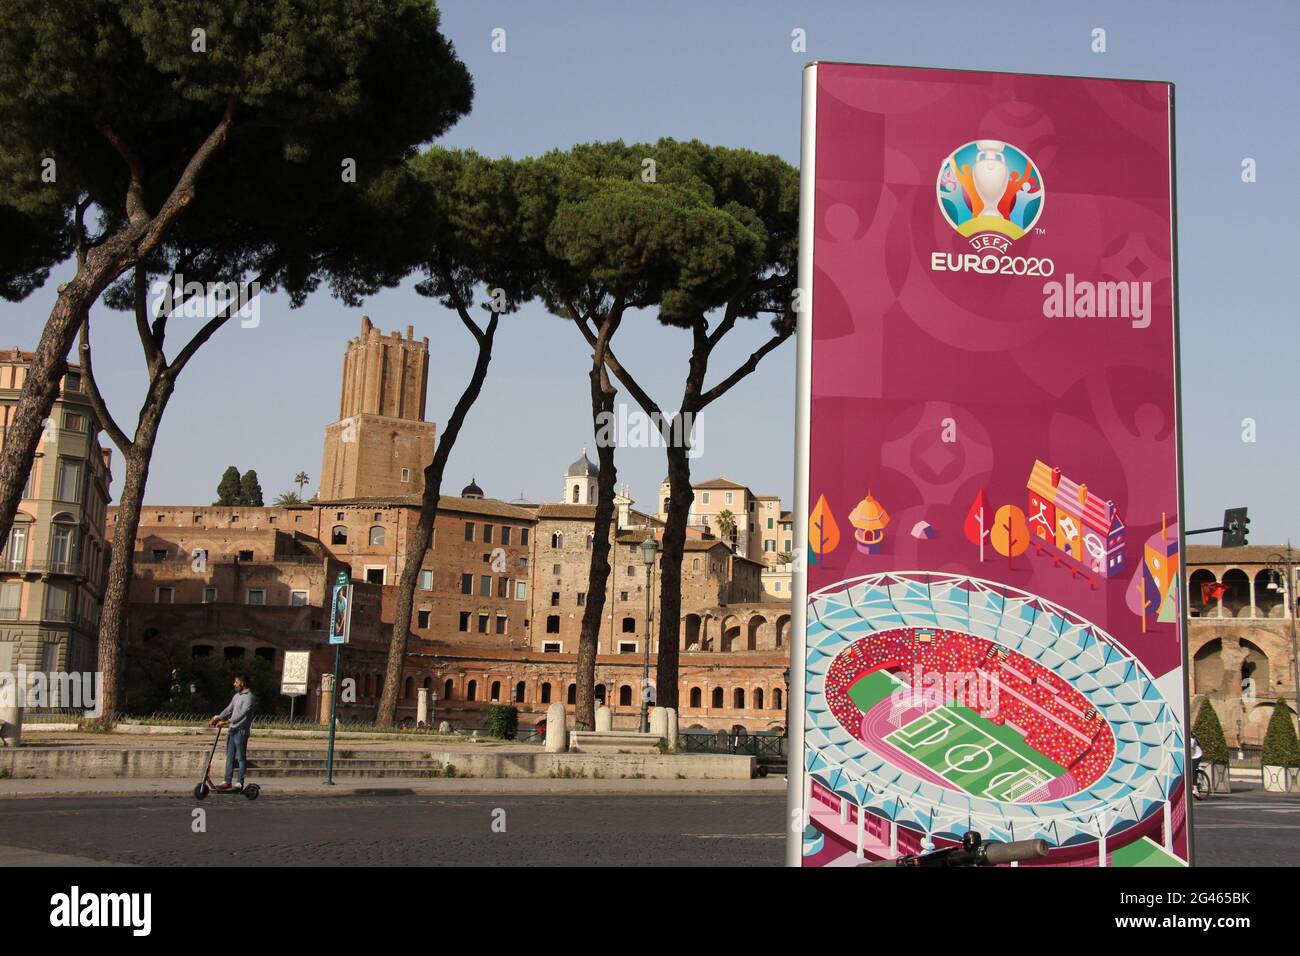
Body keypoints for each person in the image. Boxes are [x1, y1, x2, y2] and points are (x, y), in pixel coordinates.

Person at [210, 675, 256, 791]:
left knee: (241, 758)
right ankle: (227, 781)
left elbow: (242, 714)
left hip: (241, 732)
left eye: (236, 682)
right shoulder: (236, 696)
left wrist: (226, 721)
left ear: (242, 683)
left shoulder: (249, 697)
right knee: (229, 757)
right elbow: (229, 709)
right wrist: (218, 717)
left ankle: (239, 782)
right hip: (232, 730)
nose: (234, 684)